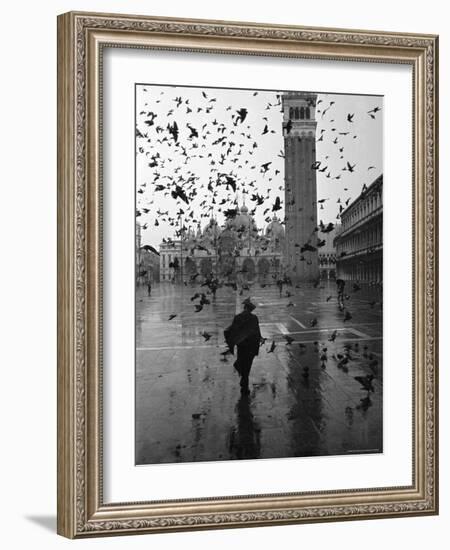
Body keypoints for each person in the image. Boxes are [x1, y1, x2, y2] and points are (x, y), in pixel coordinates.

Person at [224, 298, 262, 395]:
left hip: (242, 346)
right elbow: (257, 332)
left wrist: (232, 343)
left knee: (243, 363)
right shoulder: (254, 318)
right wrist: (259, 340)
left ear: (245, 307)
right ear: (251, 309)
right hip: (251, 346)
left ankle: (243, 382)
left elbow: (231, 331)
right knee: (247, 365)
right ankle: (244, 387)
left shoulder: (238, 317)